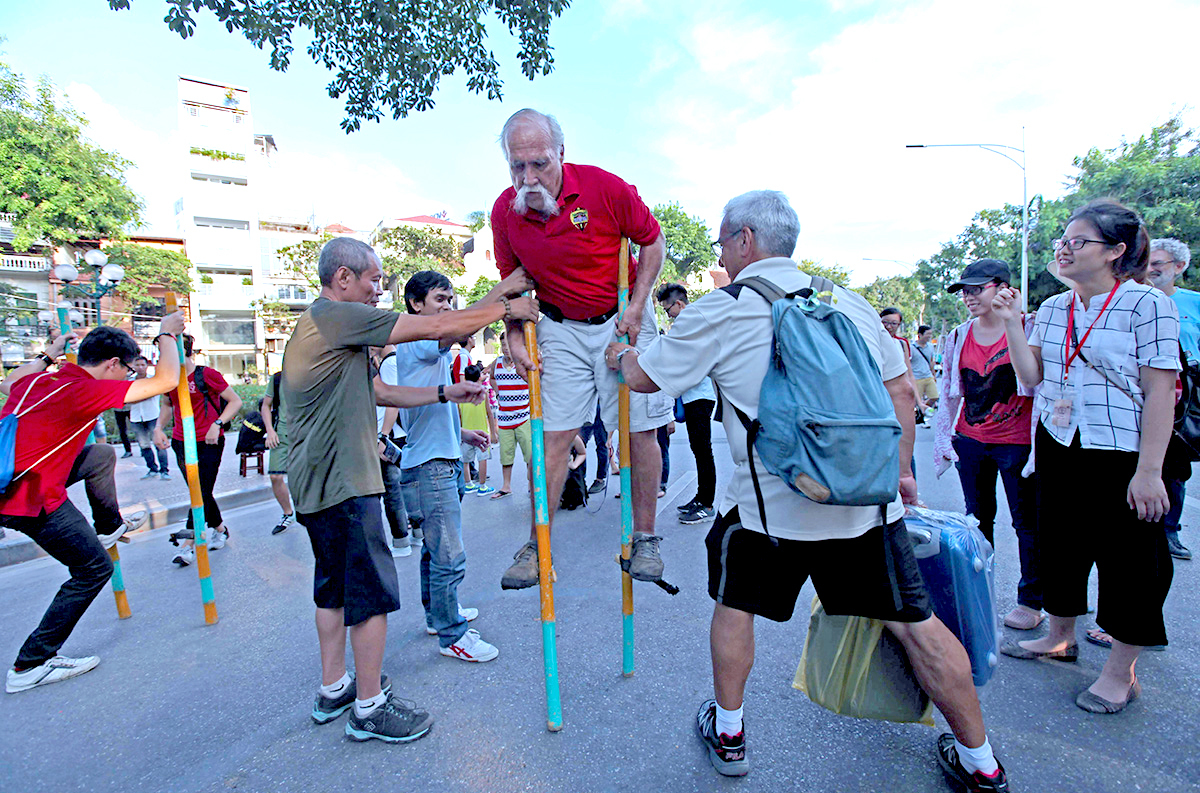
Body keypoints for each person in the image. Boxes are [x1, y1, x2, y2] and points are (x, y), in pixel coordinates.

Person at [608, 190, 1008, 791]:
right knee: (915, 623)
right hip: (867, 509)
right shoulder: (849, 301)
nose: (722, 251)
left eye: (722, 241)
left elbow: (643, 379)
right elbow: (901, 396)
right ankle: (982, 763)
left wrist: (621, 353)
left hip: (768, 513)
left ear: (745, 240)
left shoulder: (722, 308)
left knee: (735, 609)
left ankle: (731, 733)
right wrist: (900, 476)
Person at [281, 238, 535, 743]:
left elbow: (382, 393)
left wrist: (445, 391)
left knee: (332, 591)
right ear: (344, 279)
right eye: (374, 280)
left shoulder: (323, 331)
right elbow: (443, 326)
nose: (380, 290)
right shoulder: (337, 316)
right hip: (343, 483)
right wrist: (508, 303)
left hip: (317, 484)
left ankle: (335, 689)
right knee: (369, 597)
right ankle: (370, 708)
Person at [997, 200, 1177, 715]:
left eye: (1078, 241)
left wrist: (1149, 471)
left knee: (1131, 563)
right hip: (1058, 440)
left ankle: (1121, 672)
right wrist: (1012, 323)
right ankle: (1060, 636)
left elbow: (1160, 390)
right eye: (1063, 242)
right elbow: (1031, 379)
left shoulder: (1147, 305)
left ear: (1116, 251)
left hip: (1119, 449)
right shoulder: (1055, 307)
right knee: (1061, 547)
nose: (1065, 250)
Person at [491, 108, 672, 589]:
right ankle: (535, 545)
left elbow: (653, 245)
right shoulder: (505, 212)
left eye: (539, 164)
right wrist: (512, 336)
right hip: (559, 324)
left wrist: (636, 307)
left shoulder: (605, 189)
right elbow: (511, 286)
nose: (528, 178)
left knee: (640, 429)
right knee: (552, 438)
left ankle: (647, 538)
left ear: (562, 155)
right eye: (517, 166)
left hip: (620, 317)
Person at [0, 317, 184, 693]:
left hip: (14, 478)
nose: (128, 379)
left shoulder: (38, 378)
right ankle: (30, 664)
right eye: (128, 370)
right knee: (92, 569)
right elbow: (166, 381)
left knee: (100, 454)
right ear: (112, 364)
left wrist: (47, 354)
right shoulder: (84, 389)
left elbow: (7, 382)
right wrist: (166, 333)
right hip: (29, 494)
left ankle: (107, 525)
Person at [395, 271, 504, 663]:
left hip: (440, 459)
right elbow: (451, 330)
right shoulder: (417, 338)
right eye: (441, 300)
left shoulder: (429, 348)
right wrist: (501, 300)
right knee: (448, 555)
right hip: (431, 468)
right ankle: (452, 635)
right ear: (415, 304)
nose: (448, 308)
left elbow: (429, 410)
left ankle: (438, 615)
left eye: (451, 300)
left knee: (433, 550)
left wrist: (462, 437)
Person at [934, 259, 1042, 632]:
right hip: (972, 439)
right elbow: (950, 389)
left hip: (1017, 442)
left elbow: (1039, 381)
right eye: (964, 291)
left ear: (1002, 288)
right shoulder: (959, 335)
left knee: (1026, 522)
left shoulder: (1029, 326)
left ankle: (1031, 600)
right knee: (977, 520)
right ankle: (978, 589)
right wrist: (945, 438)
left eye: (976, 289)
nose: (968, 297)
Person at [154, 334, 243, 567]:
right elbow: (166, 404)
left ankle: (187, 545)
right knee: (201, 492)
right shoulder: (170, 379)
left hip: (209, 441)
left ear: (184, 351)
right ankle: (221, 530)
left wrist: (218, 424)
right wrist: (158, 428)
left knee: (200, 492)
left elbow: (235, 401)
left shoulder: (207, 375)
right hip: (181, 441)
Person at [1144, 238, 1195, 561]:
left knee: (1174, 467)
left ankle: (1170, 531)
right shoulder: (1138, 301)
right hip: (1147, 390)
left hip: (1186, 397)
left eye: (1158, 264)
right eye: (1148, 263)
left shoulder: (1194, 303)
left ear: (1178, 267)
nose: (1151, 270)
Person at [657, 282, 718, 524]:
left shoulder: (692, 323)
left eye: (667, 309)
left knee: (703, 451)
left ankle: (707, 504)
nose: (667, 314)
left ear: (679, 304)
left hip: (700, 395)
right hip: (694, 395)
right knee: (699, 449)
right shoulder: (692, 322)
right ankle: (701, 498)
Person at [372, 344, 412, 557]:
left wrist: (383, 436)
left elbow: (392, 401)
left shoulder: (389, 363)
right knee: (401, 486)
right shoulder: (397, 361)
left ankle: (401, 541)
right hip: (397, 432)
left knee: (392, 489)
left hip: (390, 435)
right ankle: (413, 535)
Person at [485, 331, 532, 499]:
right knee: (506, 454)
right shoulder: (496, 363)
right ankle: (506, 486)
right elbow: (490, 378)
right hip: (505, 419)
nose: (506, 348)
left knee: (530, 454)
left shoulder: (523, 362)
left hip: (524, 416)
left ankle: (531, 485)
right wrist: (497, 393)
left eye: (509, 345)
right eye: (503, 345)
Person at [261, 370, 296, 536]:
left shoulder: (314, 373)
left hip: (307, 434)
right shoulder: (278, 378)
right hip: (281, 432)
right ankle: (287, 513)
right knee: (275, 476)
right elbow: (266, 405)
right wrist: (270, 430)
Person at [127, 355, 171, 480]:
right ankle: (152, 468)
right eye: (137, 365)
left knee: (159, 443)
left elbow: (151, 394)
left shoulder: (153, 380)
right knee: (144, 445)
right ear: (133, 366)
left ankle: (164, 470)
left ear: (147, 366)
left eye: (142, 365)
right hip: (136, 418)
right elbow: (126, 399)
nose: (140, 368)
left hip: (153, 415)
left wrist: (135, 397)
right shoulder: (130, 382)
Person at [459, 362, 498, 496]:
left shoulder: (460, 395)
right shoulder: (483, 393)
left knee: (465, 461)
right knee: (482, 459)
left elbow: (458, 415)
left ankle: (468, 484)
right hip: (482, 433)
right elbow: (489, 413)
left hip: (466, 433)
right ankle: (482, 486)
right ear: (478, 378)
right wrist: (493, 433)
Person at [580, 401, 614, 494]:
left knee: (602, 445)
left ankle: (600, 478)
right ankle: (581, 479)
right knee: (580, 445)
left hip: (599, 407)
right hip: (587, 406)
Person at [911, 324, 939, 409]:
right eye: (928, 334)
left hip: (928, 376)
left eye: (930, 334)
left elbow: (931, 361)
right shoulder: (911, 347)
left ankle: (923, 410)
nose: (929, 336)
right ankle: (917, 415)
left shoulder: (930, 347)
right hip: (916, 378)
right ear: (920, 335)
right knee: (915, 401)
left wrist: (934, 375)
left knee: (934, 397)